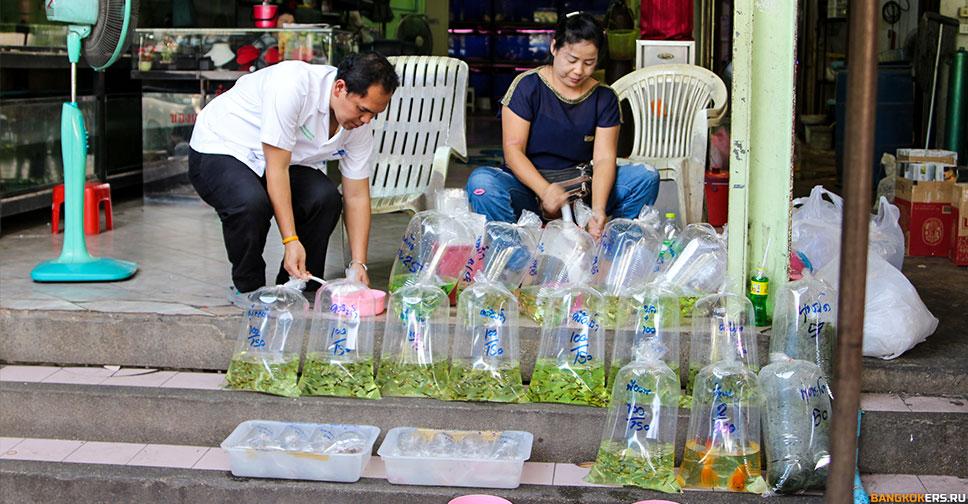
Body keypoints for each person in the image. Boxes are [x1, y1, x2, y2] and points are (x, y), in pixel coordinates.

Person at [188, 52, 398, 302]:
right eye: (362, 110)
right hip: (223, 147)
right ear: (340, 88)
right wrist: (290, 240)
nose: (366, 120)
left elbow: (356, 195)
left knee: (326, 198)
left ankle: (296, 284)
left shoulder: (359, 125)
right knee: (251, 203)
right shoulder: (293, 86)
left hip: (277, 161)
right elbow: (277, 169)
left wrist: (358, 264)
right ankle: (248, 287)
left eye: (374, 114)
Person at [466, 12, 659, 239]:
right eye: (571, 60)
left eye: (589, 63)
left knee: (645, 177)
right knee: (482, 184)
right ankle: (514, 259)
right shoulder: (528, 87)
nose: (579, 71)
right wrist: (546, 190)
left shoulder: (604, 98)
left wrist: (597, 209)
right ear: (554, 47)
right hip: (528, 190)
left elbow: (604, 159)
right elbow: (513, 151)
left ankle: (609, 245)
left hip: (580, 192)